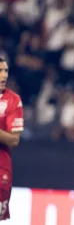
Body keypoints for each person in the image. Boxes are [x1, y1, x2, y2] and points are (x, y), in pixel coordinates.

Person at [0, 56, 24, 221]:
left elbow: (14, 140)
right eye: (0, 71)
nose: (4, 75)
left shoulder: (13, 100)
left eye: (6, 71)